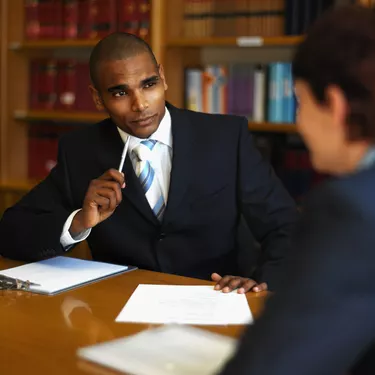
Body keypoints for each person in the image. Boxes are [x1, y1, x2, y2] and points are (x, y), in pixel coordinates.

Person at [0, 33, 297, 293]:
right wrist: (78, 222)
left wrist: (261, 283)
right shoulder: (80, 150)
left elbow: (286, 227)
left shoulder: (226, 137)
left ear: (163, 78)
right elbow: (10, 232)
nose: (140, 104)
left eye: (149, 84)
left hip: (214, 300)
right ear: (97, 98)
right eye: (120, 92)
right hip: (118, 310)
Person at [219, 5, 375, 375]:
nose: (297, 120)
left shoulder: (350, 210)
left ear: (335, 105)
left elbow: (271, 364)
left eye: (301, 102)